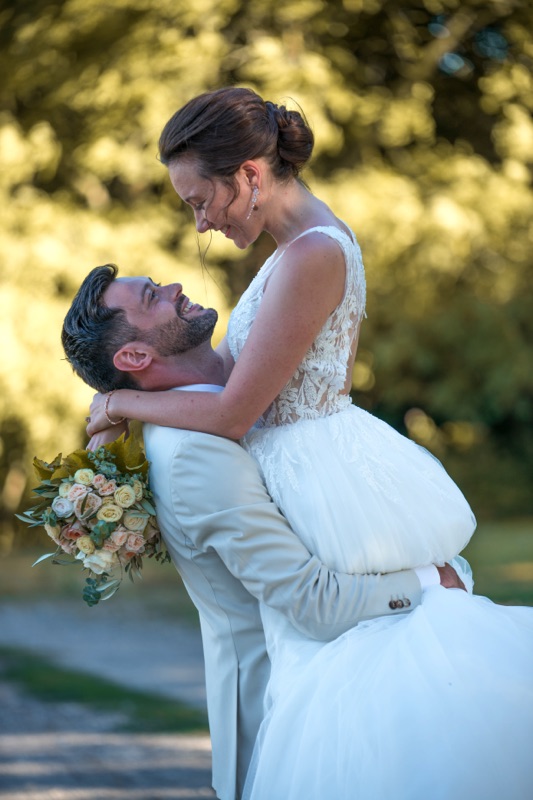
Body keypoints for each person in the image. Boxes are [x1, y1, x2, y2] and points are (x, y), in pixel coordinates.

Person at [84, 88, 533, 798]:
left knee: (373, 687)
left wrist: (119, 400)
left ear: (250, 176)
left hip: (322, 471)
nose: (199, 222)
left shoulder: (311, 255)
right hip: (298, 463)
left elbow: (234, 413)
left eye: (201, 200)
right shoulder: (292, 250)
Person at [61, 264, 462, 800]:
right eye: (153, 296)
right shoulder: (192, 455)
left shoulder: (229, 401)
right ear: (134, 358)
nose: (176, 286)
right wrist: (432, 581)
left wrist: (117, 403)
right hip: (294, 726)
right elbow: (309, 602)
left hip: (346, 693)